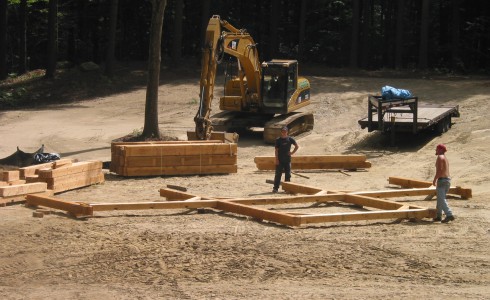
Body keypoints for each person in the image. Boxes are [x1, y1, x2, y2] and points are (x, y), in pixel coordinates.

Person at [432, 144, 455, 223]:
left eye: (437, 149)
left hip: (442, 180)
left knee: (441, 199)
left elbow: (439, 171)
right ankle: (438, 216)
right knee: (440, 198)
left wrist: (434, 180)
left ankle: (449, 214)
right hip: (447, 180)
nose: (436, 150)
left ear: (441, 150)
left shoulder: (440, 157)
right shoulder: (445, 158)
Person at [272, 126, 299, 193]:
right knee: (278, 174)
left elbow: (296, 146)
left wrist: (292, 153)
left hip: (287, 160)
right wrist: (276, 159)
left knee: (288, 174)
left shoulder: (290, 139)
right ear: (281, 132)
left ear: (287, 132)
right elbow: (276, 150)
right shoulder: (278, 140)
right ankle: (275, 188)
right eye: (283, 131)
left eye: (285, 131)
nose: (284, 133)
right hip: (280, 160)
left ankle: (287, 188)